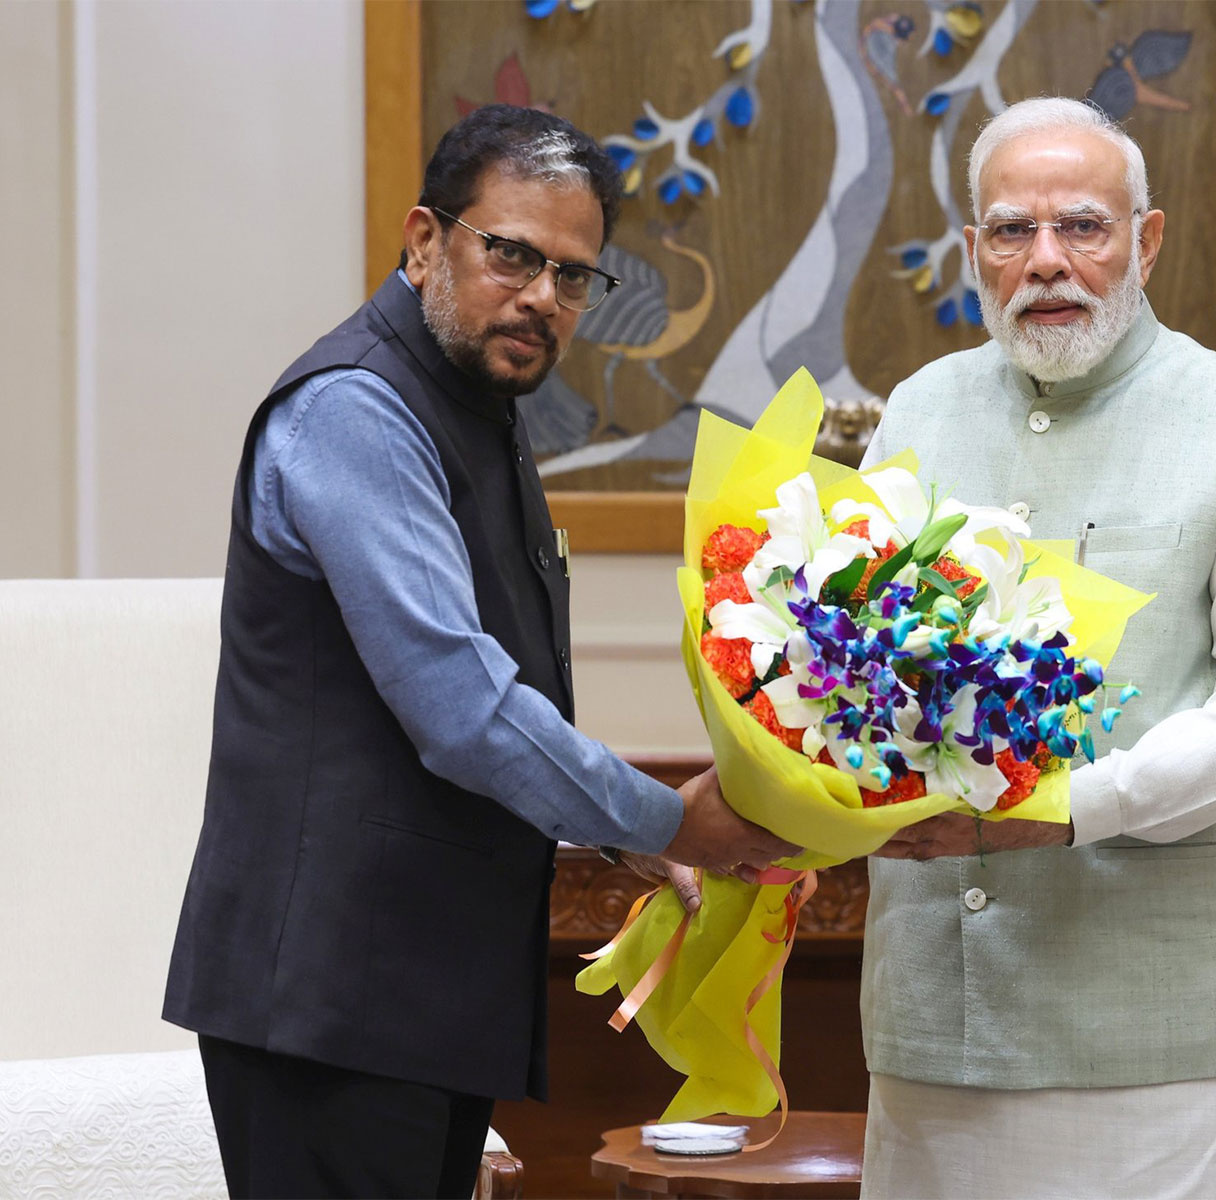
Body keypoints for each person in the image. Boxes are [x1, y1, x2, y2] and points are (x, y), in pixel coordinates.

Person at [162, 105, 795, 1199]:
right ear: (423, 241)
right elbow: (459, 704)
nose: (542, 296)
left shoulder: (475, 407)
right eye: (510, 253)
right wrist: (661, 815)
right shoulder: (357, 410)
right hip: (326, 1001)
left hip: (406, 997)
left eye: (573, 275)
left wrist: (631, 843)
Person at [859, 97, 1216, 1198]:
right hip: (933, 1018)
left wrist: (1070, 807)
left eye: (1082, 226)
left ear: (1144, 240)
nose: (1047, 262)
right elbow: (851, 668)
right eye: (1011, 232)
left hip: (1156, 1030)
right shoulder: (916, 414)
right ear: (974, 250)